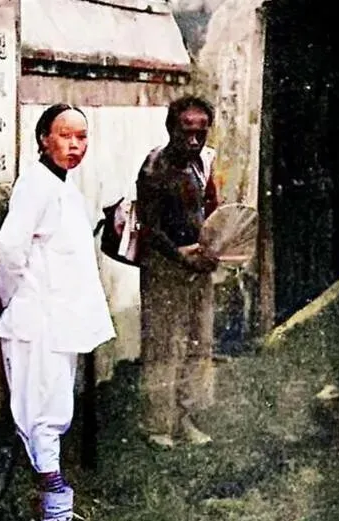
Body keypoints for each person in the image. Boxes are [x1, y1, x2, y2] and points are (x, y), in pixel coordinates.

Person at [0, 104, 116, 521]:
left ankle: (54, 507)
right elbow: (10, 249)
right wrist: (12, 298)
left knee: (56, 410)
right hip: (36, 321)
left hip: (60, 321)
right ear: (44, 139)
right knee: (42, 415)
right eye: (65, 136)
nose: (75, 145)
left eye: (82, 137)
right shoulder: (35, 185)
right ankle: (55, 509)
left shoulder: (63, 187)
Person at [136, 95, 219, 448]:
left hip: (198, 265)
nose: (194, 139)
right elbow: (149, 227)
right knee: (163, 345)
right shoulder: (155, 167)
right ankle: (158, 424)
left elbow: (211, 212)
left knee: (198, 343)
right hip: (164, 267)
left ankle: (186, 418)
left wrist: (212, 249)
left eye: (201, 131)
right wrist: (181, 256)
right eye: (187, 131)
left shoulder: (203, 163)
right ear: (171, 128)